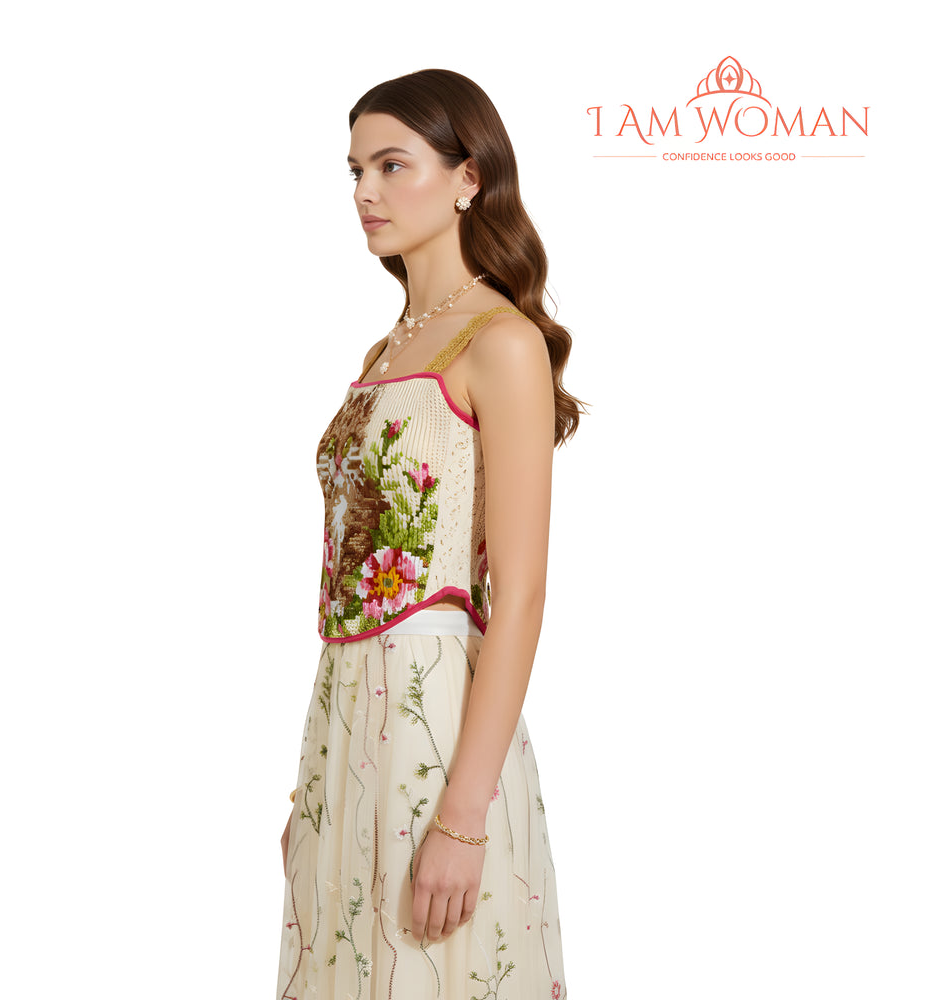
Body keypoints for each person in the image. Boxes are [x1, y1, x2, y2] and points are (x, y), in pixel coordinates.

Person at [277, 68, 585, 999]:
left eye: (392, 165)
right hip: (345, 714)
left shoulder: (501, 343)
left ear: (468, 178)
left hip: (437, 722)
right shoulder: (385, 351)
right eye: (355, 170)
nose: (364, 192)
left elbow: (520, 595)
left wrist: (462, 815)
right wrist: (315, 787)